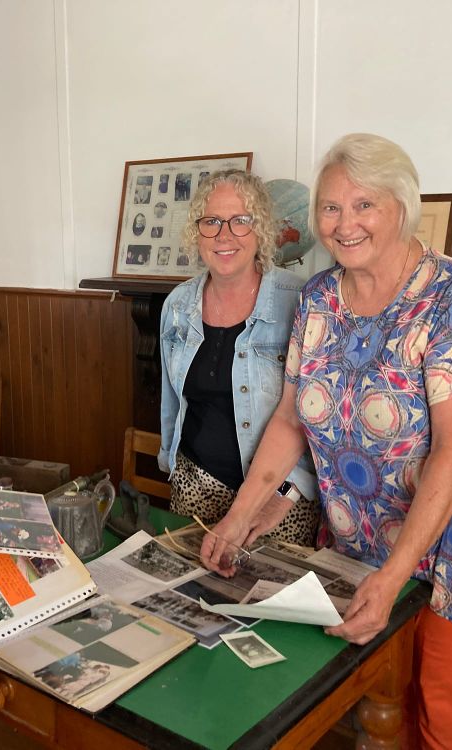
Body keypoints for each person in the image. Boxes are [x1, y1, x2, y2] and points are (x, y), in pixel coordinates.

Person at [202, 133, 452, 749]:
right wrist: (239, 517)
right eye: (330, 207)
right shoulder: (319, 299)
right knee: (380, 698)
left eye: (363, 205)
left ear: (401, 207)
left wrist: (394, 575)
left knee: (443, 708)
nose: (344, 223)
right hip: (361, 534)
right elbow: (290, 419)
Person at [158, 169, 318, 544]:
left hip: (277, 502)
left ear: (260, 228)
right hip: (194, 491)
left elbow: (314, 416)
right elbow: (171, 404)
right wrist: (171, 465)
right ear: (198, 232)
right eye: (211, 221)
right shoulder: (178, 305)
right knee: (191, 600)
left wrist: (288, 494)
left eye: (240, 221)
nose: (224, 234)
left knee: (268, 601)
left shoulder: (302, 302)